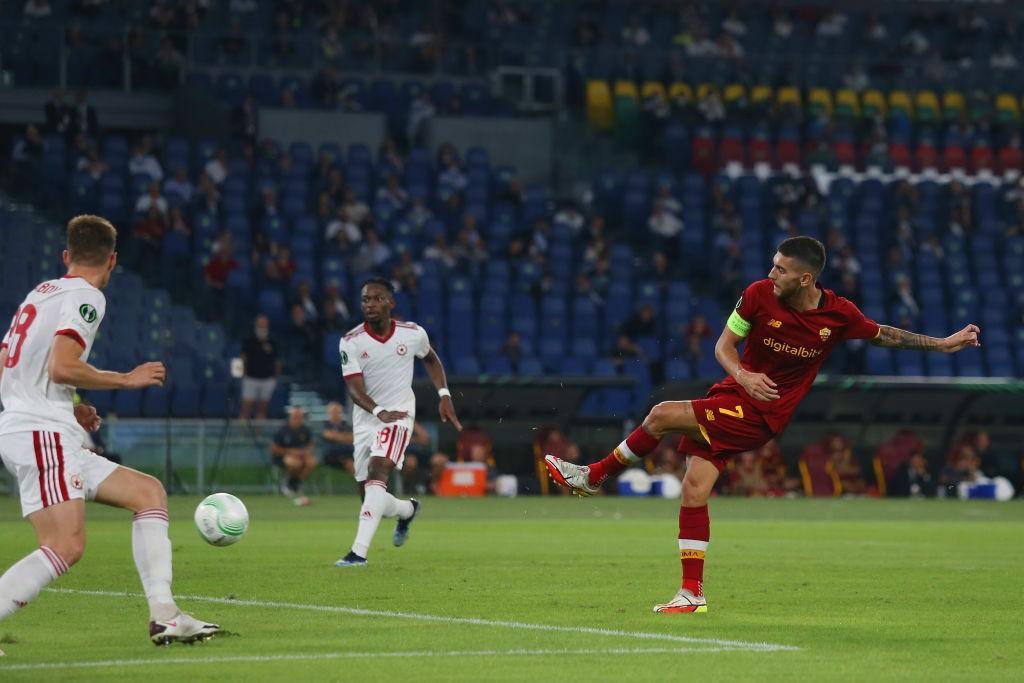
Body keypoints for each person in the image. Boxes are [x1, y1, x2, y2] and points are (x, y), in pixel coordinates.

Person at [545, 236, 981, 613]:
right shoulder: (756, 294)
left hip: (763, 414)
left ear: (806, 279)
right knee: (694, 490)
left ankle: (593, 476)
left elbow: (883, 334)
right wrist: (744, 376)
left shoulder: (838, 315)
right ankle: (691, 593)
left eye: (781, 269)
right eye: (773, 264)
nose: (771, 273)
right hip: (734, 395)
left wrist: (942, 344)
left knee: (661, 415)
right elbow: (723, 346)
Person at [0, 214, 219, 644]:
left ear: (66, 255)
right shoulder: (88, 297)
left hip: (41, 425)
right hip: (41, 432)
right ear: (113, 260)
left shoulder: (39, 294)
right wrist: (126, 378)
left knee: (148, 493)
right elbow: (62, 366)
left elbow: (18, 366)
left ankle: (165, 614)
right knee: (65, 546)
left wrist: (73, 405)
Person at [335, 277, 462, 567]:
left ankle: (357, 554)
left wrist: (444, 394)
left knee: (378, 469)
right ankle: (407, 510)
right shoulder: (351, 341)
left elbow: (430, 359)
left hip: (399, 417)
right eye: (366, 299)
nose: (370, 304)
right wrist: (378, 412)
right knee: (366, 492)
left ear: (391, 303)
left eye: (377, 299)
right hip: (367, 418)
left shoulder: (412, 334)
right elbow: (354, 390)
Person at [270, 407, 316, 505]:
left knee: (311, 462)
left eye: (299, 416)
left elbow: (310, 445)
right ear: (290, 417)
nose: (297, 419)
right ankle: (289, 483)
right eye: (295, 416)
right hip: (285, 456)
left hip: (302, 455)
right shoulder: (283, 430)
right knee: (294, 463)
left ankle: (297, 483)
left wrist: (305, 452)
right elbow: (274, 448)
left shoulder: (305, 430)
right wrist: (290, 452)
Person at [239, 315, 280, 421]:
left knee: (262, 409)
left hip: (267, 380)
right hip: (250, 379)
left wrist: (275, 377)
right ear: (256, 326)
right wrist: (243, 375)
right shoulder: (248, 341)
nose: (262, 327)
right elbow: (242, 358)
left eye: (264, 325)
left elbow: (277, 361)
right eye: (260, 325)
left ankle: (259, 435)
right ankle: (241, 436)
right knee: (246, 408)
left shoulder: (273, 342)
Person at [321, 401, 354, 475]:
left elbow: (352, 438)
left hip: (348, 453)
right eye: (333, 412)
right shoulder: (325, 425)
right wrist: (344, 437)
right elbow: (328, 435)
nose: (335, 414)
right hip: (331, 455)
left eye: (338, 412)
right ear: (328, 413)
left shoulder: (346, 426)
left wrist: (336, 436)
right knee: (350, 463)